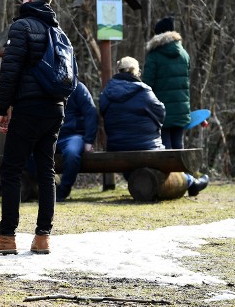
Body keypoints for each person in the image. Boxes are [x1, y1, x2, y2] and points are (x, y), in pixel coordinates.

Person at [0, 0, 68, 256]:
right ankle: (42, 238)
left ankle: (6, 236)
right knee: (46, 171)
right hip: (55, 109)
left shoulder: (22, 27)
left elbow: (10, 72)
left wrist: (2, 109)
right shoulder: (58, 30)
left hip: (28, 109)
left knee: (12, 170)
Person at [99, 56, 208, 195]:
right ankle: (191, 182)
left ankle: (189, 182)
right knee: (161, 162)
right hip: (146, 145)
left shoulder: (106, 92)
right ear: (136, 72)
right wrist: (155, 126)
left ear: (118, 70)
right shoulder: (144, 91)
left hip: (116, 146)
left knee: (135, 165)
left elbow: (102, 112)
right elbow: (161, 112)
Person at [142, 16, 190, 149]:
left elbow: (147, 86)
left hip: (161, 109)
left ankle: (168, 170)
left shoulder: (154, 56)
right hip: (181, 108)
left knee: (165, 145)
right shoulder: (184, 54)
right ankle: (179, 170)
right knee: (178, 145)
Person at [55, 81, 98, 202]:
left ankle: (63, 190)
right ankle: (49, 186)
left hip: (73, 135)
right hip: (50, 134)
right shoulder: (46, 85)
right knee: (32, 153)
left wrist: (89, 140)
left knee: (72, 153)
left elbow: (90, 112)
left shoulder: (78, 88)